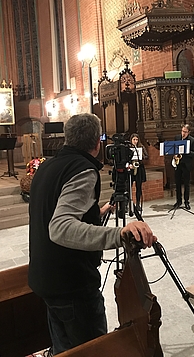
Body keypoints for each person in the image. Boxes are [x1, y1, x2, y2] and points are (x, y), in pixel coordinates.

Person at [28, 113, 156, 355]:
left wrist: (96, 211)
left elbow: (50, 210)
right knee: (92, 349)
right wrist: (120, 233)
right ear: (98, 143)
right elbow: (60, 227)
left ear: (68, 138)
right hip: (72, 284)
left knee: (63, 349)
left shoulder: (48, 166)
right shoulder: (83, 169)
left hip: (45, 278)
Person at [173, 124, 194, 210]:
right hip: (178, 163)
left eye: (185, 132)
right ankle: (178, 201)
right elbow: (174, 149)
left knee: (186, 184)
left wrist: (187, 152)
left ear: (189, 132)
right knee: (178, 183)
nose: (183, 133)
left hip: (186, 164)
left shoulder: (192, 140)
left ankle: (186, 201)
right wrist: (175, 155)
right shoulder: (177, 138)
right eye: (182, 131)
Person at [130, 133, 148, 212]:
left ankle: (138, 204)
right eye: (134, 139)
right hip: (131, 169)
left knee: (138, 187)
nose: (135, 141)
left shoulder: (141, 147)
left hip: (139, 168)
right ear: (131, 140)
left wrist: (141, 156)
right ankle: (129, 204)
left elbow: (147, 156)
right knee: (128, 187)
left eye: (136, 140)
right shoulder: (128, 148)